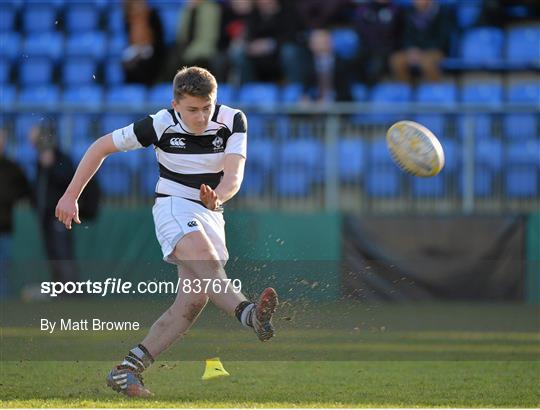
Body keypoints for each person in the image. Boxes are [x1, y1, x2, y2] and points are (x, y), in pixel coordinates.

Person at [55, 66, 278, 397]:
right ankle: (249, 315)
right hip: (174, 206)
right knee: (206, 261)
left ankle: (126, 370)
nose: (201, 116)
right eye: (192, 109)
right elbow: (100, 147)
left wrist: (219, 196)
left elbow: (234, 175)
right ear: (176, 104)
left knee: (191, 303)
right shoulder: (159, 124)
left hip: (211, 211)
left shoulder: (233, 120)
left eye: (207, 107)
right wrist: (71, 195)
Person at [390, 0, 454, 83]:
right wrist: (411, 49)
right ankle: (407, 89)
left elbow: (443, 39)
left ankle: (432, 90)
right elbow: (406, 35)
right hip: (414, 51)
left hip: (434, 50)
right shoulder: (408, 12)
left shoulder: (442, 12)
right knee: (396, 60)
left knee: (427, 63)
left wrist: (422, 52)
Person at [0, 128, 31, 297]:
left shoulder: (12, 168)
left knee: (3, 270)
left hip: (4, 226)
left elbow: (25, 189)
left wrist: (9, 197)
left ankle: (3, 307)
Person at [122, 0, 165, 85]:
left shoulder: (153, 16)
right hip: (136, 49)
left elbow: (158, 38)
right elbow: (130, 40)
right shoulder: (127, 19)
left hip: (151, 50)